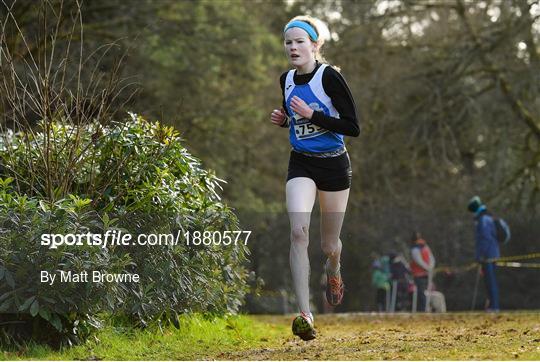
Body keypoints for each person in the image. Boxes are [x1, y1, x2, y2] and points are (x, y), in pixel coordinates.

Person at [270, 15, 360, 341]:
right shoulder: (286, 79)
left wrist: (313, 115)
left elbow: (353, 127)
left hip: (334, 166)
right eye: (288, 42)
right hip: (302, 164)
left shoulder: (330, 78)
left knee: (328, 245)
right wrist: (285, 120)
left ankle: (334, 269)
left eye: (299, 41)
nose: (293, 47)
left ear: (314, 45)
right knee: (298, 232)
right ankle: (305, 314)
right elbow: (295, 119)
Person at [467, 195, 500, 312]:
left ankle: (494, 307)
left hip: (488, 256)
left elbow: (485, 239)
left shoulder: (483, 220)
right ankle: (492, 305)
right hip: (492, 254)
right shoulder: (487, 217)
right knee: (489, 281)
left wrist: (480, 256)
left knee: (490, 282)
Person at [409, 231, 435, 312]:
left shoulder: (415, 248)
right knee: (423, 292)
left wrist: (428, 268)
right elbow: (431, 258)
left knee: (422, 293)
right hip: (425, 273)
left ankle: (423, 309)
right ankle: (424, 309)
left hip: (420, 274)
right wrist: (429, 267)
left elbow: (418, 260)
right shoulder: (425, 247)